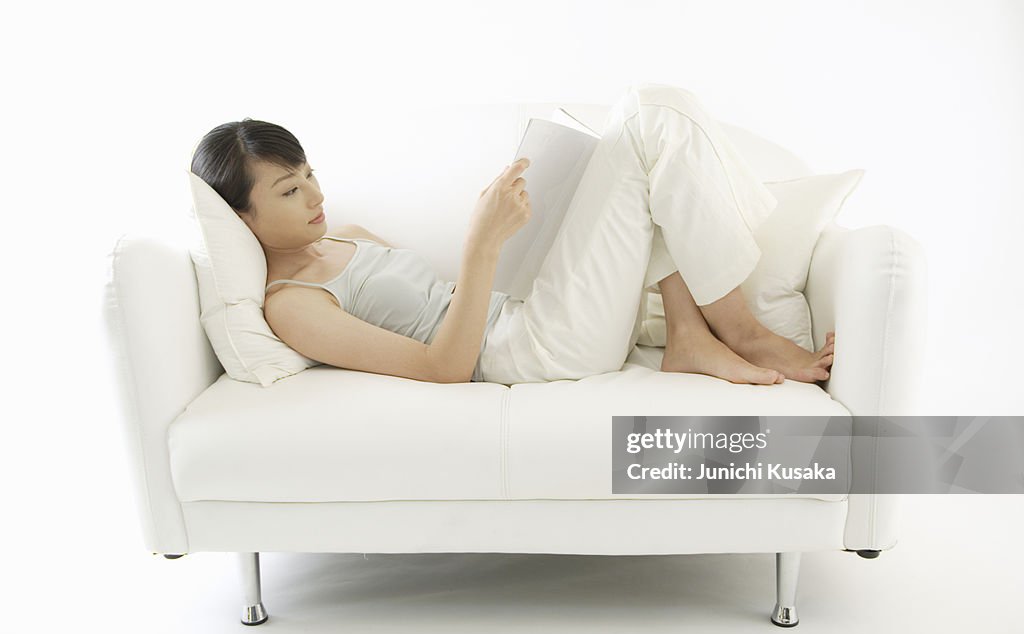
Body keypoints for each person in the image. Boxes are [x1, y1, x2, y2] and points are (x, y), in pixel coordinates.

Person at [190, 83, 834, 386]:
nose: (316, 196)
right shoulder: (292, 305)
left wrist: (522, 233)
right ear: (241, 217)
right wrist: (482, 246)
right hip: (523, 354)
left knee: (642, 137)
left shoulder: (348, 235)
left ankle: (692, 335)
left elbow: (462, 296)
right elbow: (442, 367)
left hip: (528, 315)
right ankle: (744, 331)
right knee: (648, 115)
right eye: (288, 190)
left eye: (309, 174)